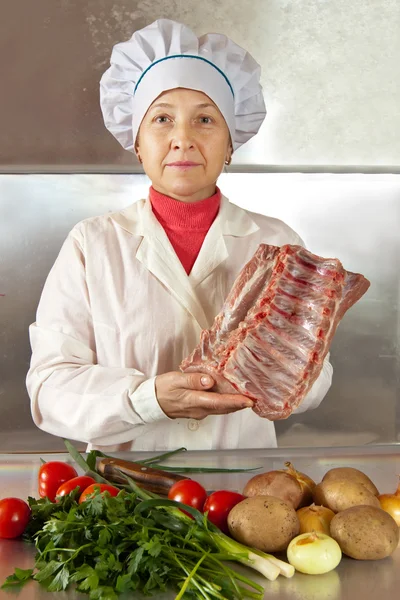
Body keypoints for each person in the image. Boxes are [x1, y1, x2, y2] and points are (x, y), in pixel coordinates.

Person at [27, 19, 332, 452]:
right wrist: (149, 400)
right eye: (162, 119)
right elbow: (50, 388)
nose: (182, 139)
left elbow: (315, 382)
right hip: (126, 498)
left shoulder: (276, 241)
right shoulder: (91, 244)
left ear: (230, 143)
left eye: (205, 120)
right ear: (136, 141)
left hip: (246, 502)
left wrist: (280, 366)